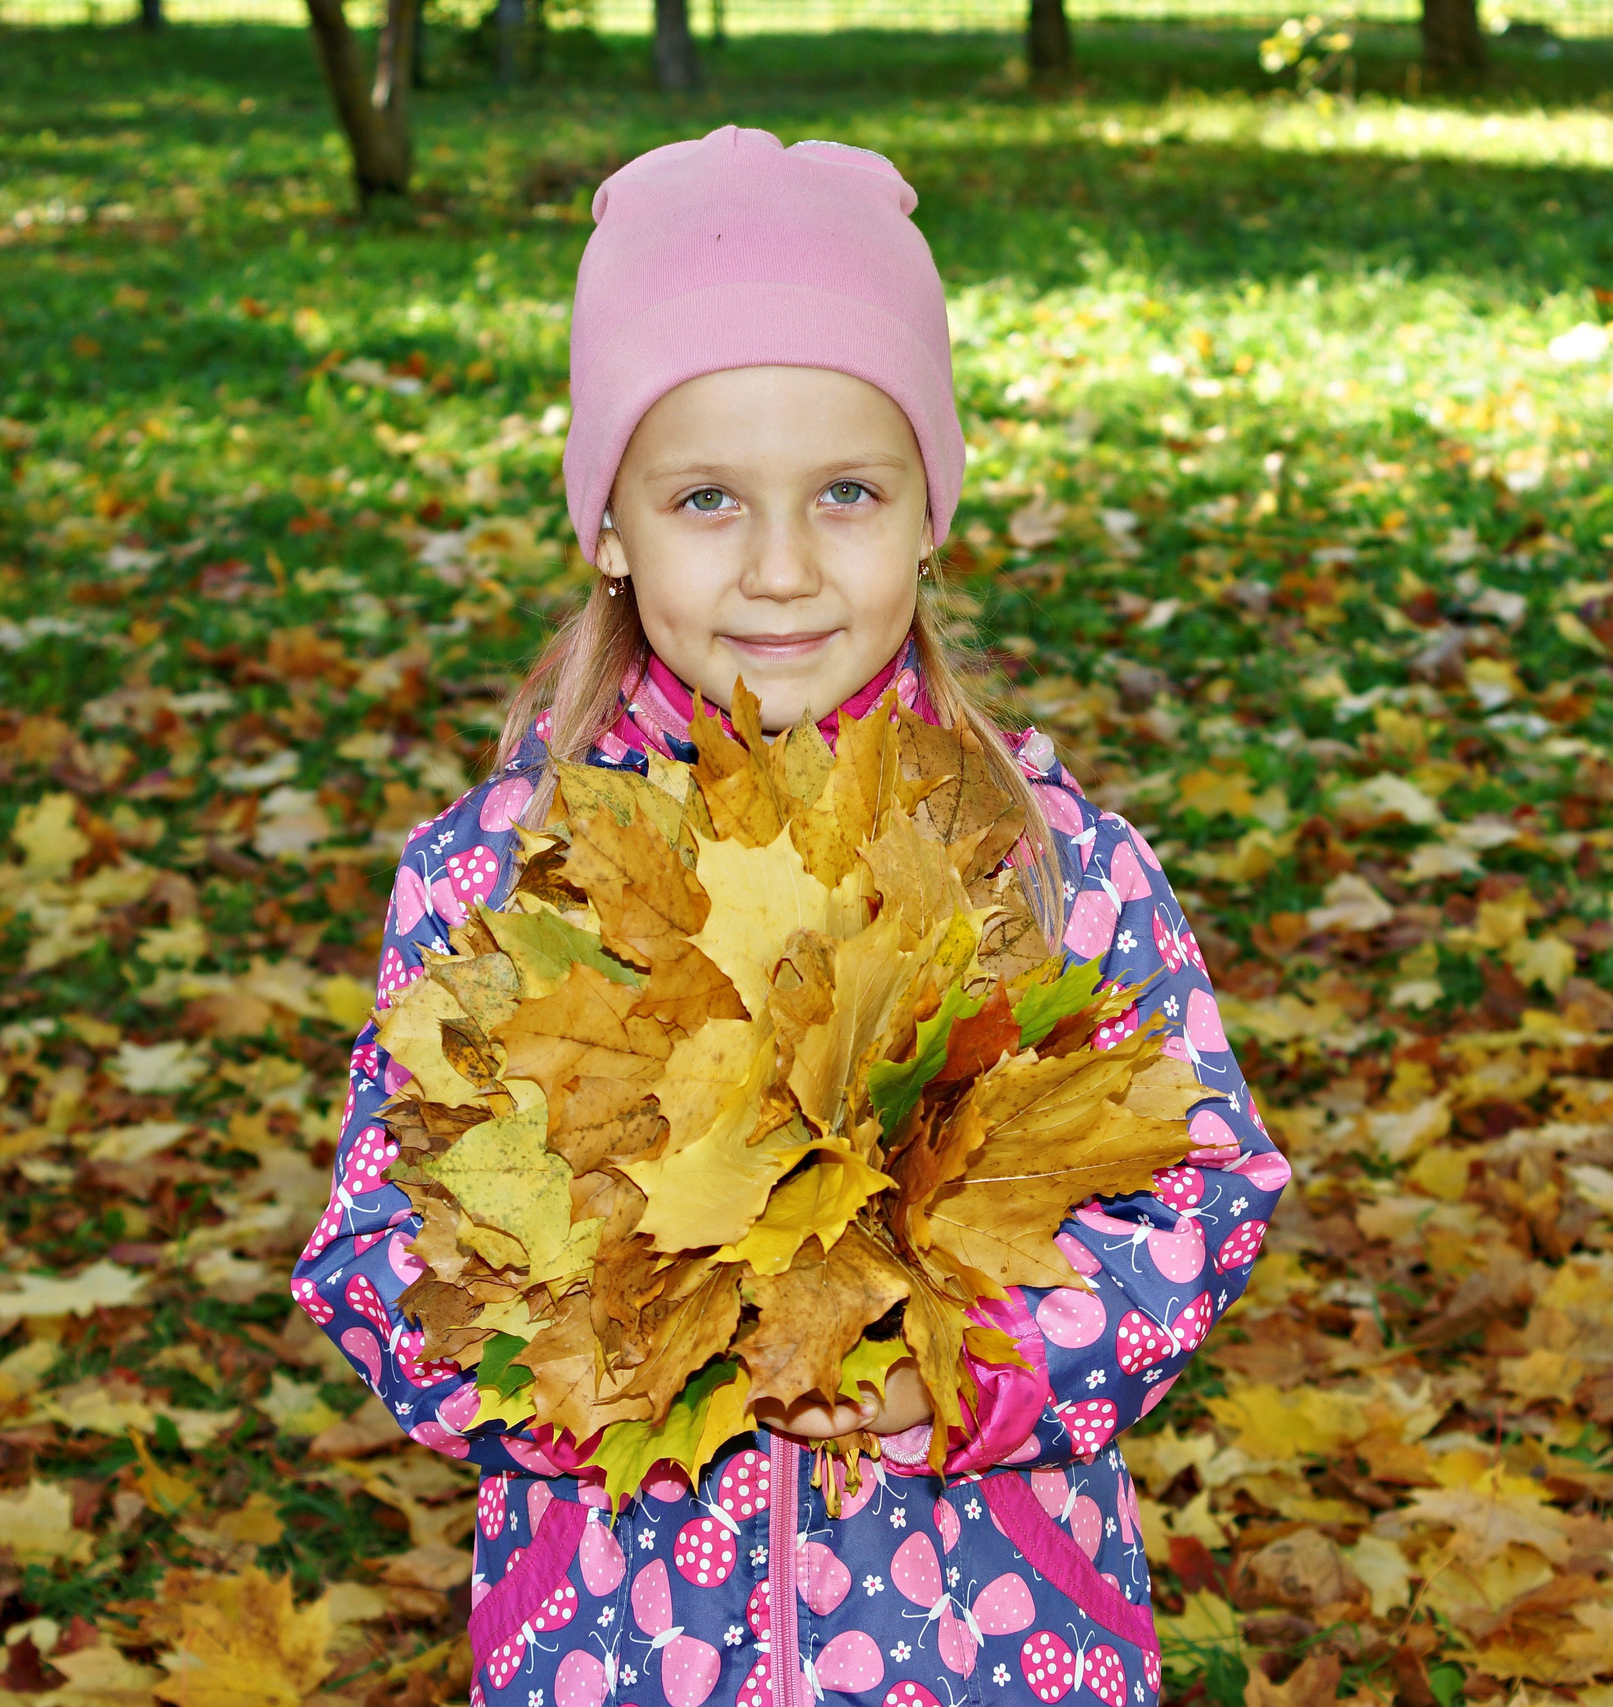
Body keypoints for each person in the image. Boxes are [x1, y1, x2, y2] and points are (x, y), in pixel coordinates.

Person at [291, 125, 1292, 1707]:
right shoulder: (500, 881)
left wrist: (965, 1373)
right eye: (702, 498)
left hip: (989, 1649)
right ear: (608, 528)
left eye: (845, 490)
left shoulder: (1049, 867)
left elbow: (1203, 1191)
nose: (778, 568)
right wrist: (604, 1374)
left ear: (928, 512)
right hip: (616, 1649)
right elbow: (373, 1256)